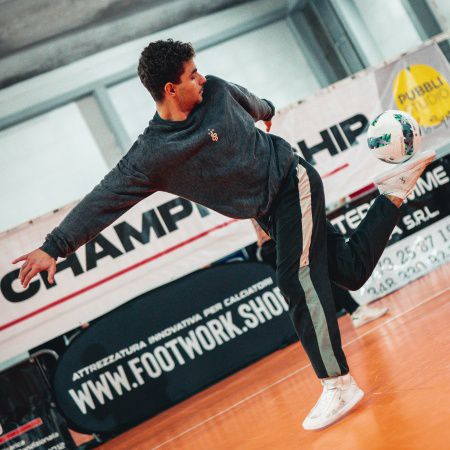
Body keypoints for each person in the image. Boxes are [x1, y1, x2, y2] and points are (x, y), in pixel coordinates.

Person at [12, 39, 435, 430]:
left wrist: (267, 111)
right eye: (191, 74)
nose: (201, 77)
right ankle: (393, 193)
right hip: (267, 211)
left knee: (296, 278)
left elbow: (252, 102)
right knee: (350, 271)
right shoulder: (152, 156)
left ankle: (337, 383)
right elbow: (104, 199)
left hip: (292, 181)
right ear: (170, 89)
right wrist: (54, 247)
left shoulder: (215, 91)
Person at [251, 219, 389, 328]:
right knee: (319, 275)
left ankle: (354, 311)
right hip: (277, 243)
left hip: (279, 241)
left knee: (322, 274)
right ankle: (353, 312)